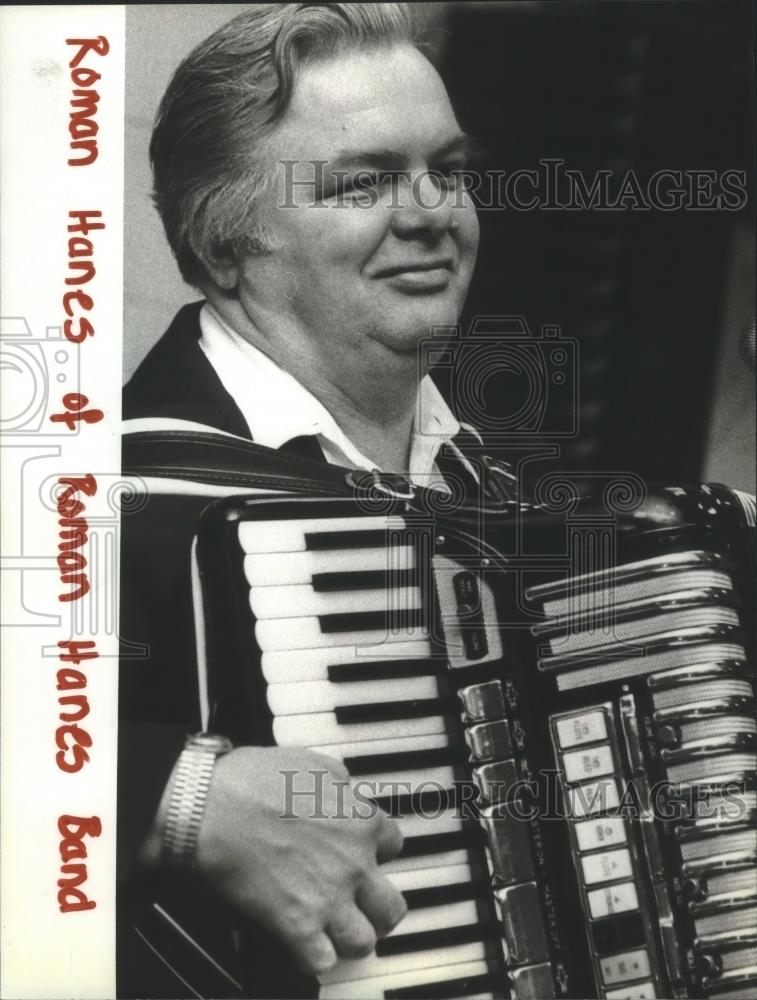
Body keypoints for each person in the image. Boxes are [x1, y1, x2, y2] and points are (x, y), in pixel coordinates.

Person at [119, 3, 487, 994]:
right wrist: (177, 796)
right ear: (227, 240)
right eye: (361, 181)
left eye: (445, 170)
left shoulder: (483, 490)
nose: (429, 212)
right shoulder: (98, 498)